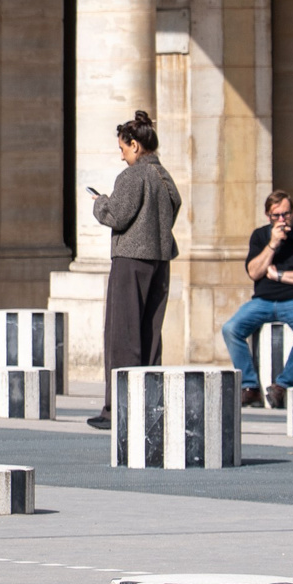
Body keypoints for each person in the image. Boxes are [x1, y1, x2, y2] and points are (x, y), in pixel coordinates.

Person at [86, 110, 181, 429]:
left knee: (123, 335)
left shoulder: (132, 176)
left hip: (130, 260)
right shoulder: (163, 175)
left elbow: (118, 215)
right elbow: (175, 204)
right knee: (151, 335)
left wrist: (100, 203)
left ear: (136, 145)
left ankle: (118, 410)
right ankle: (149, 405)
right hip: (160, 258)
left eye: (123, 149)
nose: (122, 155)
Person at [221, 189, 293, 408]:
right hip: (263, 301)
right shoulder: (260, 236)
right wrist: (272, 244)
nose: (281, 220)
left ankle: (282, 385)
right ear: (268, 215)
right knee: (231, 329)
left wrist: (280, 275)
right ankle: (250, 387)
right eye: (276, 216)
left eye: (285, 214)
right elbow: (254, 272)